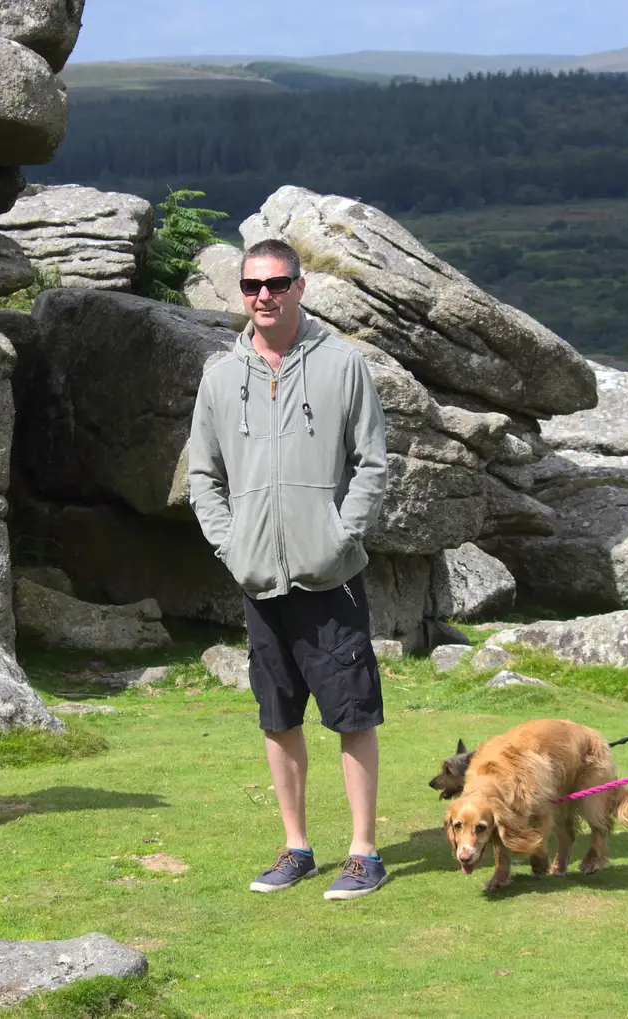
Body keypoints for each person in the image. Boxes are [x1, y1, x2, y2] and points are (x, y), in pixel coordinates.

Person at [187, 239, 391, 900]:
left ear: (300, 286)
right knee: (277, 715)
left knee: (352, 712)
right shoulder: (220, 377)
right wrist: (233, 544)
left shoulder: (341, 365)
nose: (263, 296)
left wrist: (340, 536)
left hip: (329, 575)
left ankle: (364, 851)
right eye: (251, 286)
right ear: (240, 292)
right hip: (258, 579)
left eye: (276, 283)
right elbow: (202, 476)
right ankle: (297, 846)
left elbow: (373, 463)